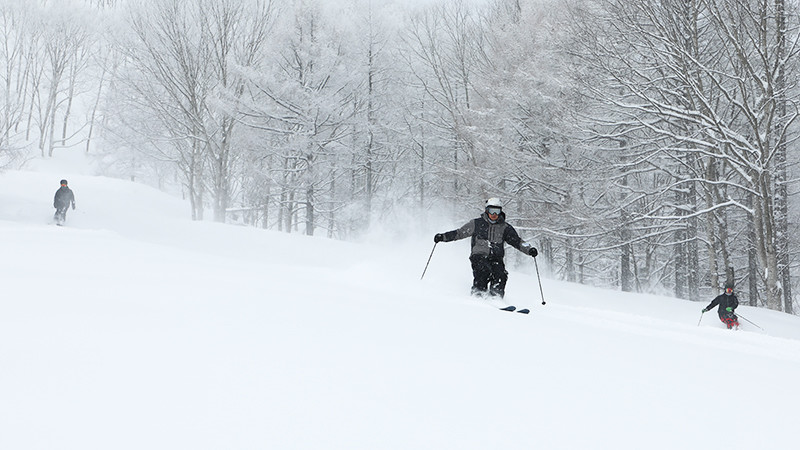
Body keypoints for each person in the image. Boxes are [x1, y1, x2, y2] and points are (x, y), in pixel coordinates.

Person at [434, 198, 537, 298]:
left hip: (496, 258)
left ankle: (496, 296)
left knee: (501, 274)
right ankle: (478, 293)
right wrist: (443, 237)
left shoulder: (505, 227)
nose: (494, 215)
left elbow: (517, 241)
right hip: (479, 256)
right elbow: (460, 233)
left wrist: (529, 249)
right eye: (492, 211)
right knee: (483, 270)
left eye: (497, 211)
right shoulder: (477, 224)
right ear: (487, 210)